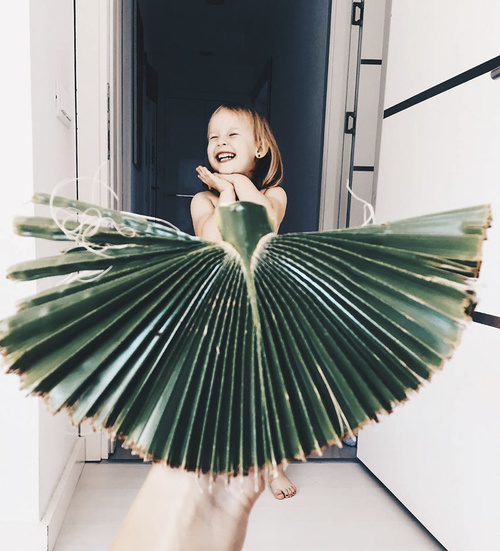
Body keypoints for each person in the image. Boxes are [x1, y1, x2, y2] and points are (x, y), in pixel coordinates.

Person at [191, 103, 296, 500]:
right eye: (213, 136)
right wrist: (222, 194)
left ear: (260, 148)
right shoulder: (202, 200)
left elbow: (264, 218)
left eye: (232, 134)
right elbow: (210, 238)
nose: (221, 141)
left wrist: (235, 184)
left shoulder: (273, 194)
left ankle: (272, 468)